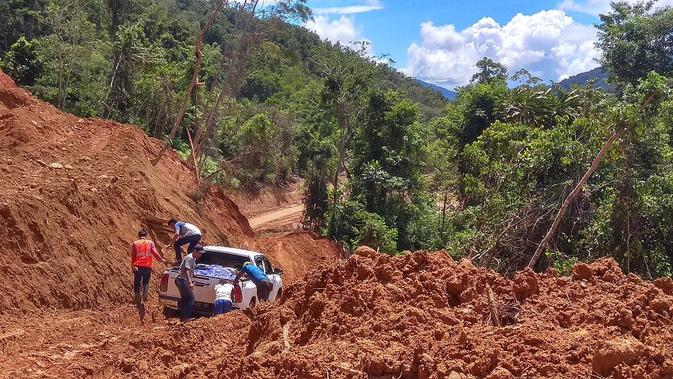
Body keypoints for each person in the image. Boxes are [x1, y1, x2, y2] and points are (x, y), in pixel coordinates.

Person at [130, 228, 167, 321]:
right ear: (146, 235)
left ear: (139, 236)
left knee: (137, 283)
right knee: (146, 281)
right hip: (147, 266)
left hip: (138, 266)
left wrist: (132, 265)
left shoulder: (135, 243)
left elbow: (133, 256)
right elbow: (155, 253)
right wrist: (161, 260)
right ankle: (145, 294)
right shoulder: (150, 243)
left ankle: (138, 299)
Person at [175, 244, 204, 322]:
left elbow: (190, 269)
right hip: (182, 280)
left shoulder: (193, 259)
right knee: (191, 298)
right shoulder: (189, 258)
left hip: (181, 280)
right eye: (199, 253)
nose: (200, 255)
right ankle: (186, 317)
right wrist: (190, 282)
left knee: (185, 298)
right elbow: (186, 270)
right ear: (194, 251)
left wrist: (194, 275)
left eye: (201, 253)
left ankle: (182, 317)